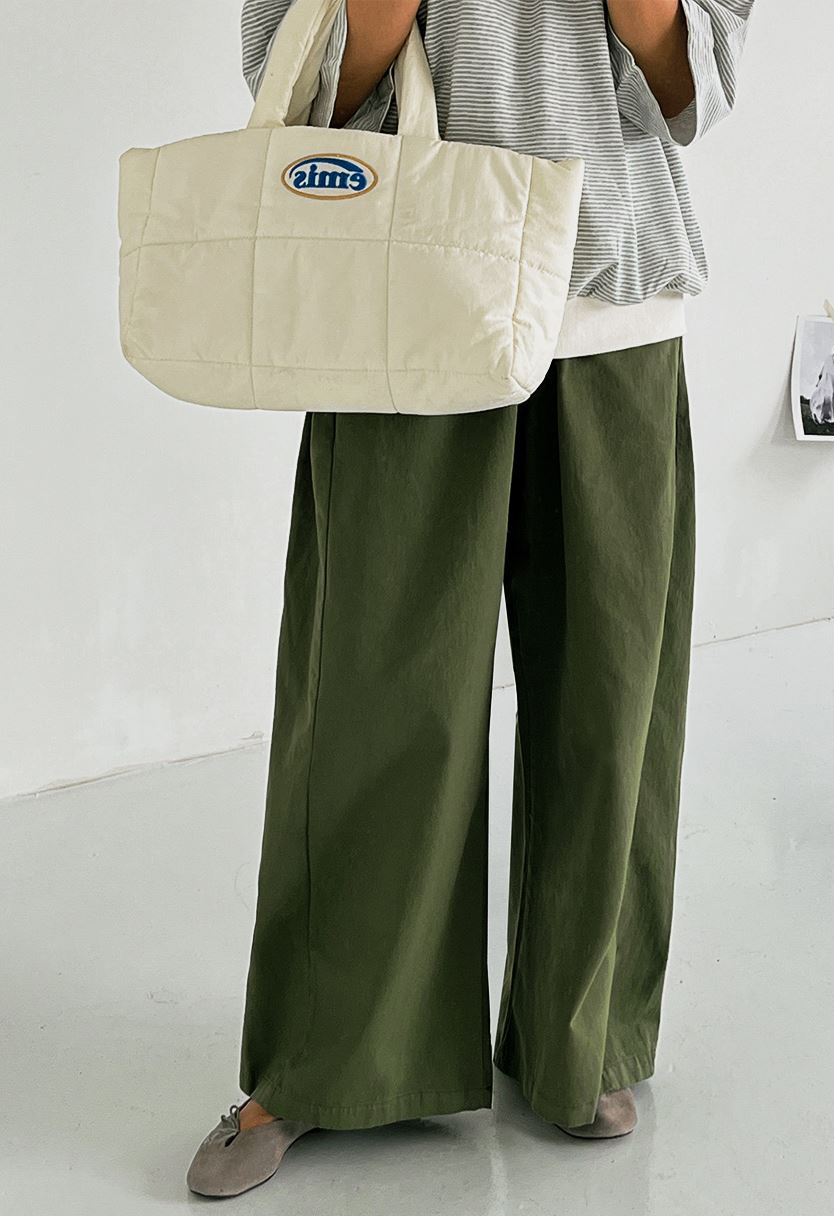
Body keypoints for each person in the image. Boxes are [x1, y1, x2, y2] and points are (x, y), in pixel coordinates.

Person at [187, 0, 757, 1197]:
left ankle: (579, 1034)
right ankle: (324, 1059)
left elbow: (692, 87)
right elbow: (308, 78)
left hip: (614, 296)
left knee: (612, 704)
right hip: (409, 292)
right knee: (372, 699)